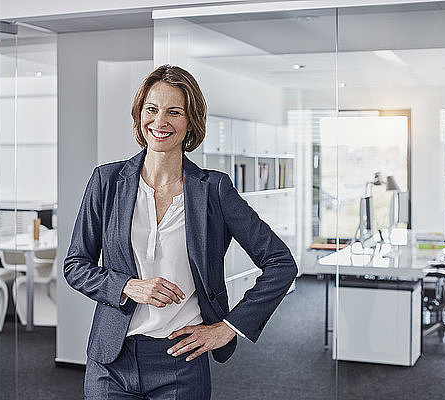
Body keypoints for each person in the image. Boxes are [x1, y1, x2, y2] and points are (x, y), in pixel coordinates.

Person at [64, 64, 297, 399]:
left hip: (180, 361)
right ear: (139, 115)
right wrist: (128, 286)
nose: (160, 122)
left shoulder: (214, 189)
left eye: (174, 112)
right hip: (111, 361)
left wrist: (228, 328)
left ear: (190, 123)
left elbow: (280, 262)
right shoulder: (107, 181)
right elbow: (76, 265)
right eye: (151, 109)